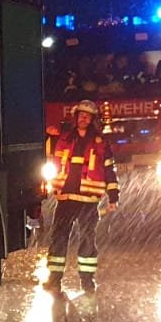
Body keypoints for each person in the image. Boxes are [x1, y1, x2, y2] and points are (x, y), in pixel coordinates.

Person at [44, 100, 118, 294]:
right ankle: (54, 279)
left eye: (87, 116)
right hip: (66, 197)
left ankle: (87, 281)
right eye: (81, 116)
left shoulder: (101, 143)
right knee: (58, 237)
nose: (83, 119)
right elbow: (47, 151)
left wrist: (113, 196)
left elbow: (109, 170)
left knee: (87, 238)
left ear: (92, 120)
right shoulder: (64, 138)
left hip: (88, 200)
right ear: (75, 118)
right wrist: (48, 134)